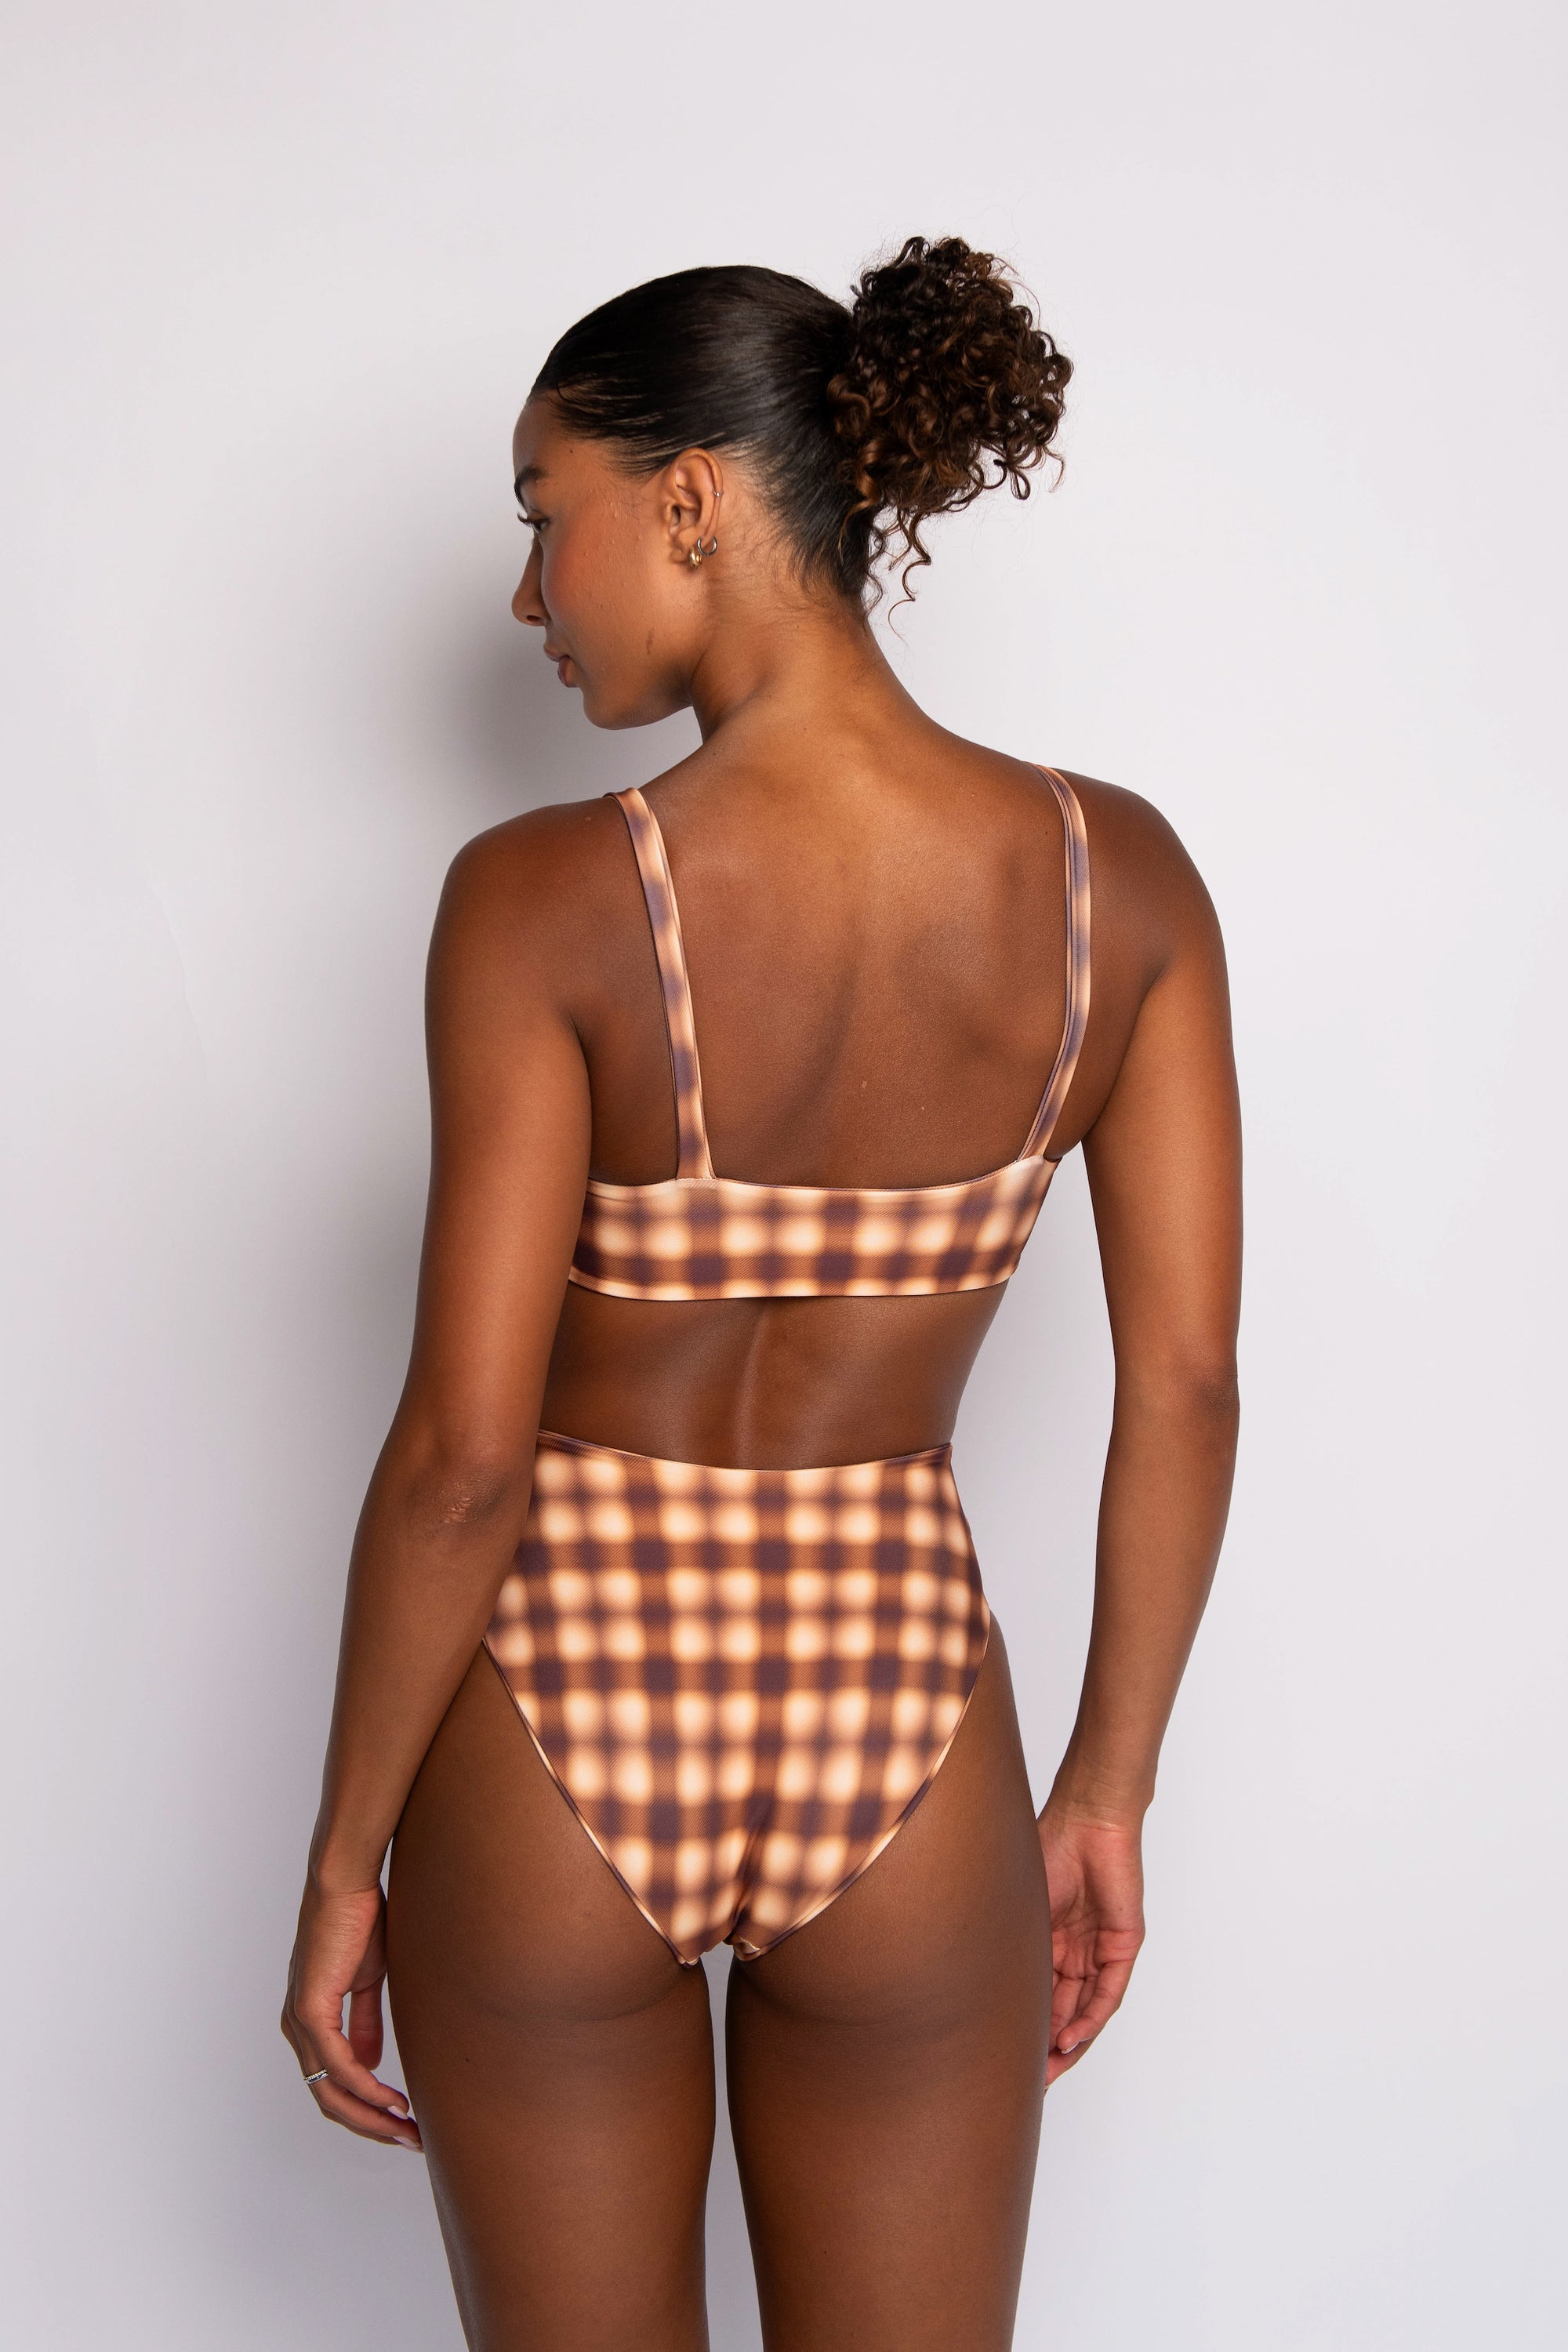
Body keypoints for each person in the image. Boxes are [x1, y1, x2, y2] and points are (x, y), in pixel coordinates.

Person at [281, 235, 1242, 2352]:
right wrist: (1106, 1787)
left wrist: (349, 1856)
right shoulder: (1123, 886)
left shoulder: (542, 901)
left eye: (546, 517)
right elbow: (1183, 1388)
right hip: (900, 1696)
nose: (530, 595)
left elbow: (462, 1461)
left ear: (694, 498)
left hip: (560, 1702)